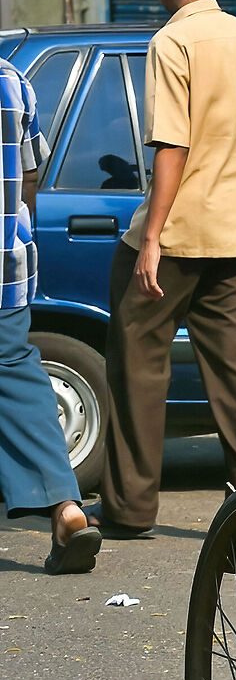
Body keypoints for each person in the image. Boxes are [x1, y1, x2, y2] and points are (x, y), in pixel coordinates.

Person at [100, 0, 236, 537]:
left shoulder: (171, 42)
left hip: (180, 234)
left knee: (137, 360)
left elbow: (171, 146)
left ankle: (128, 509)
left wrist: (151, 237)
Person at [0, 55, 101, 573]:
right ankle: (66, 507)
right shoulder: (12, 81)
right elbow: (29, 177)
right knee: (17, 378)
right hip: (5, 268)